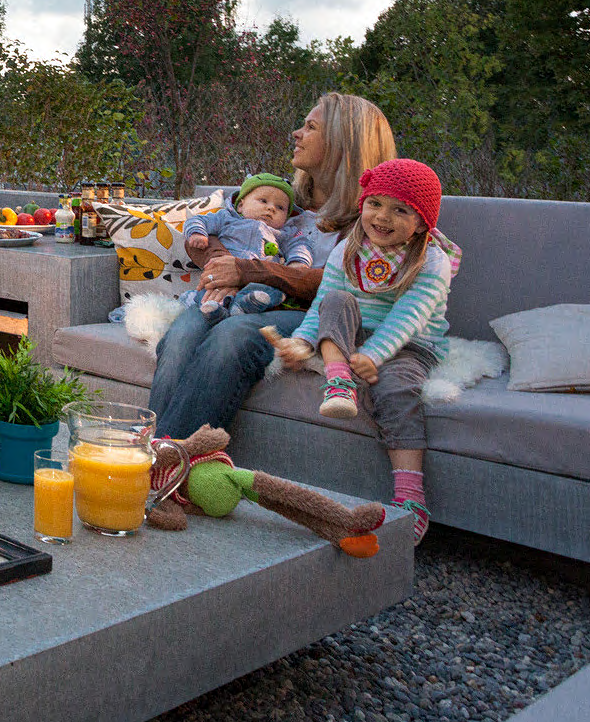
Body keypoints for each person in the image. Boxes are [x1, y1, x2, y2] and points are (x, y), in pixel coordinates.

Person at [148, 93, 396, 439]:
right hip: (248, 298)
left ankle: (172, 459)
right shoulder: (282, 203)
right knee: (184, 331)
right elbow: (224, 225)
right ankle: (152, 442)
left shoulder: (377, 215)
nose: (297, 133)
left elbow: (340, 283)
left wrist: (250, 271)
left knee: (232, 336)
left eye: (310, 127)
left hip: (312, 314)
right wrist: (226, 268)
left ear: (343, 145)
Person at [274, 159, 460, 543]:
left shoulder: (432, 261)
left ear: (423, 222)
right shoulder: (349, 248)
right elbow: (324, 304)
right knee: (339, 301)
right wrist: (303, 342)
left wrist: (372, 357)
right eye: (375, 203)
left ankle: (411, 495)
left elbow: (406, 320)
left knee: (396, 389)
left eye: (400, 210)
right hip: (354, 333)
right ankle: (339, 382)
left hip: (411, 343)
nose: (382, 217)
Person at [179, 172, 315, 318]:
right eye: (263, 201)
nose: (271, 208)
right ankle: (206, 306)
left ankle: (242, 306)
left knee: (273, 292)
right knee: (210, 288)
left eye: (280, 207)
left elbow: (300, 244)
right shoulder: (226, 218)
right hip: (224, 274)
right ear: (241, 205)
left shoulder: (284, 233)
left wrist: (298, 262)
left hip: (257, 278)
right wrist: (197, 233)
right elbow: (199, 220)